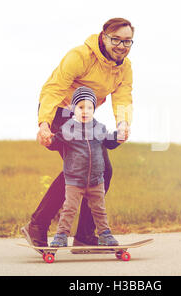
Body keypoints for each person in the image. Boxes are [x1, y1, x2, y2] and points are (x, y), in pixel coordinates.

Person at [21, 18, 134, 250]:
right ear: (103, 37)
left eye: (127, 41)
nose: (122, 46)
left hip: (85, 117)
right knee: (80, 167)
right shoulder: (81, 56)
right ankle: (37, 226)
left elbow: (123, 97)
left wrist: (123, 123)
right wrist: (44, 123)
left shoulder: (124, 67)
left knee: (103, 170)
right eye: (116, 40)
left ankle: (85, 234)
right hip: (59, 112)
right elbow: (53, 89)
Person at [48, 87, 120, 247]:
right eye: (81, 107)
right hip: (75, 180)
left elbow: (109, 142)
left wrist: (119, 138)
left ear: (94, 109)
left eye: (89, 107)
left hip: (96, 180)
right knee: (69, 209)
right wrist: (48, 142)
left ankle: (104, 234)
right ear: (74, 109)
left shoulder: (99, 128)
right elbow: (56, 143)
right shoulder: (68, 129)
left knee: (99, 210)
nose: (85, 111)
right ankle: (61, 236)